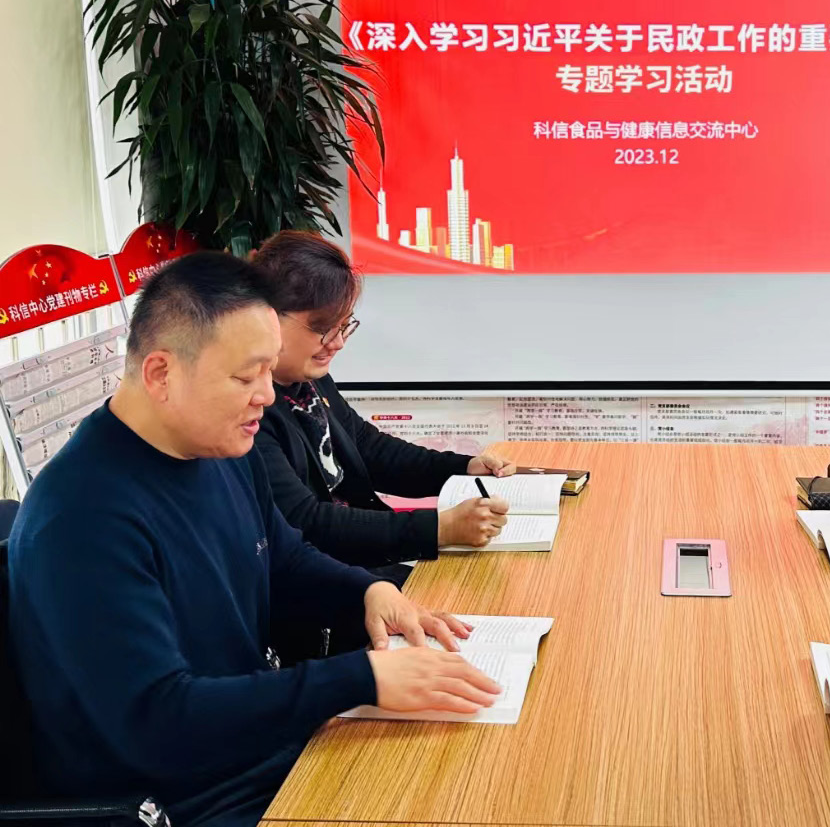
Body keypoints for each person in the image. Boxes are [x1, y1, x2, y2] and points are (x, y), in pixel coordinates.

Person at [6, 253, 501, 827]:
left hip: (261, 751)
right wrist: (359, 679)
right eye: (245, 377)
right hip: (187, 800)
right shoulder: (82, 518)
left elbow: (281, 559)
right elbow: (159, 722)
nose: (266, 396)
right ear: (161, 374)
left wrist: (367, 594)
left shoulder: (219, 446)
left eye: (269, 371)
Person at [250, 231, 514, 575]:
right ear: (267, 317)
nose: (338, 342)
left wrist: (463, 469)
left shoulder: (308, 379)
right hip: (325, 578)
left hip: (360, 564)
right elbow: (305, 521)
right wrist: (439, 528)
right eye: (324, 328)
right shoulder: (250, 411)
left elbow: (368, 448)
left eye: (345, 326)